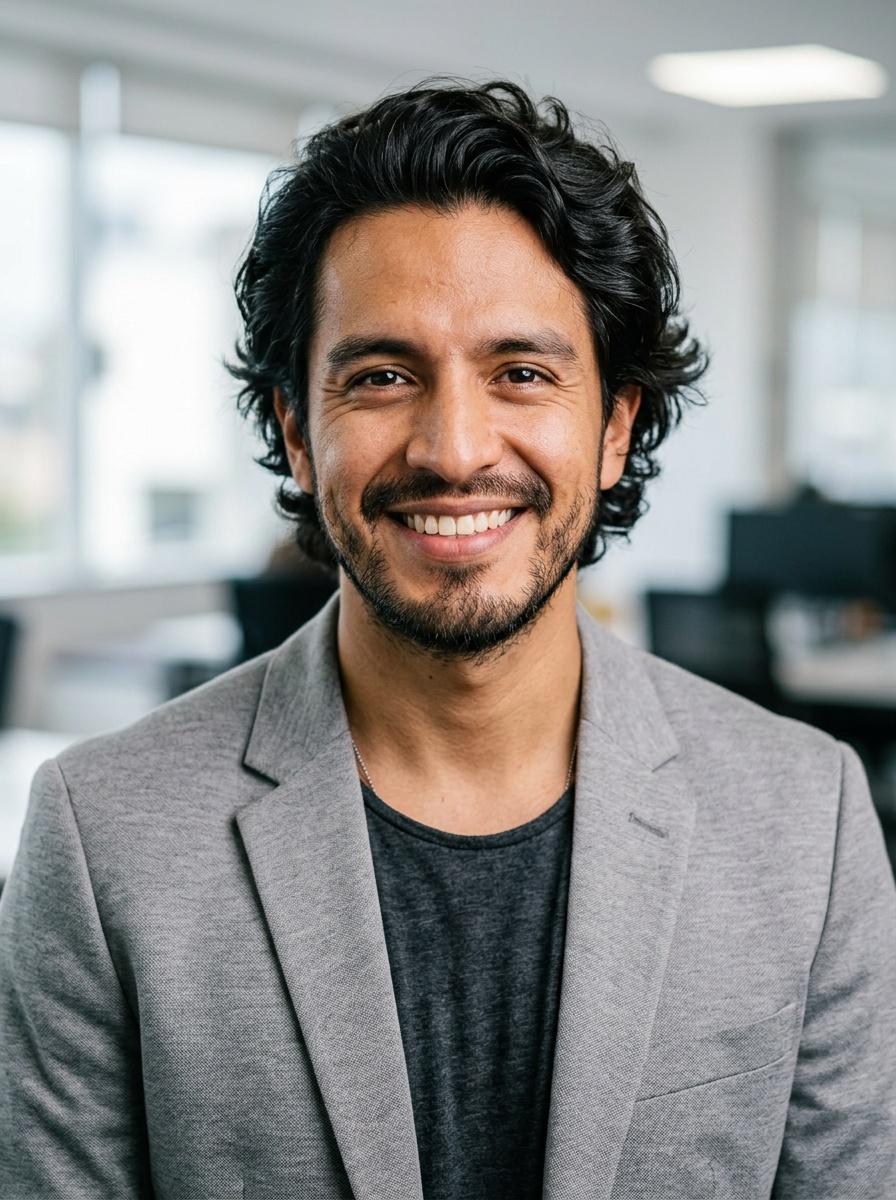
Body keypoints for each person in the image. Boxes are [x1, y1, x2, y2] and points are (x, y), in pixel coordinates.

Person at [1, 81, 894, 1200]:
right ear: (292, 429)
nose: (454, 447)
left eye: (520, 372)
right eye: (381, 376)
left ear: (614, 424)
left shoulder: (803, 821)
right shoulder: (104, 842)